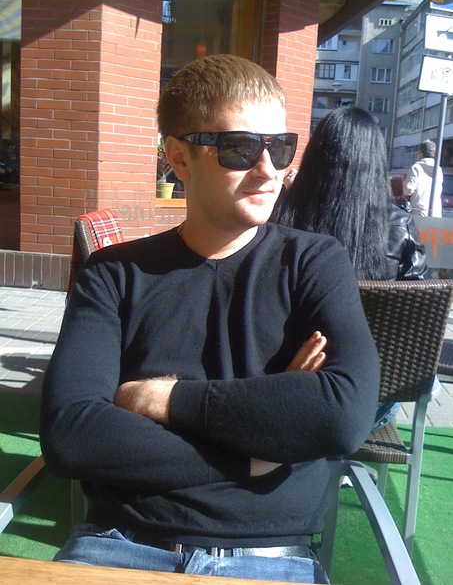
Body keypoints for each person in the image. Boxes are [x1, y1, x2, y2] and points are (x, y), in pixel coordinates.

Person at [40, 55, 379, 583]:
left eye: (280, 147)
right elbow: (72, 434)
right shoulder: (114, 274)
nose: (269, 170)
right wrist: (259, 448)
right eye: (239, 148)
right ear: (178, 157)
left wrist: (163, 400)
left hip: (269, 561)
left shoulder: (314, 261)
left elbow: (343, 413)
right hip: (120, 546)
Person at [271, 106, 427, 429]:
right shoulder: (401, 228)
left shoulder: (281, 217)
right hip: (368, 404)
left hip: (286, 391)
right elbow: (417, 320)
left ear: (315, 156)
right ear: (377, 161)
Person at [404, 140, 443, 217]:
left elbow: (408, 190)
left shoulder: (416, 167)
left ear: (420, 153)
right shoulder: (438, 169)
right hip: (436, 211)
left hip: (419, 211)